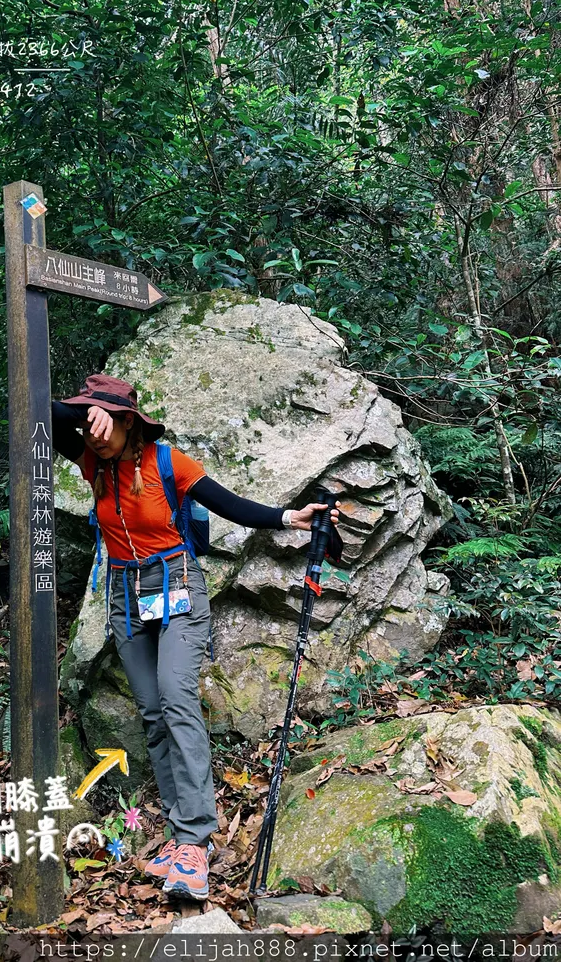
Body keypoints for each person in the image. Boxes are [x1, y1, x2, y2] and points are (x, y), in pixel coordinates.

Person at [52, 373, 342, 902]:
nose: (95, 434)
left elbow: (228, 503)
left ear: (129, 422)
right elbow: (33, 411)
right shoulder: (92, 460)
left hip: (177, 584)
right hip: (123, 591)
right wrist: (80, 416)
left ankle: (195, 840)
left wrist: (286, 517)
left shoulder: (167, 462)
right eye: (90, 422)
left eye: (105, 421)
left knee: (177, 697)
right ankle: (177, 828)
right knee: (151, 711)